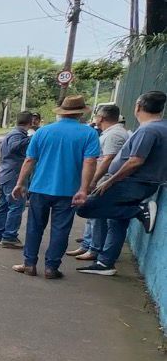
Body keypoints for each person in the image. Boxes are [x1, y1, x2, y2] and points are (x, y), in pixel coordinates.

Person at [74, 91, 167, 276]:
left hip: (132, 182)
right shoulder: (162, 127)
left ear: (138, 106)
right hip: (144, 181)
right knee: (117, 221)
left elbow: (135, 161)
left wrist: (110, 181)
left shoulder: (148, 130)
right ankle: (105, 263)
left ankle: (139, 211)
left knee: (85, 207)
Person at [11, 95, 100, 279]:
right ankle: (51, 268)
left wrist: (20, 183)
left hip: (40, 188)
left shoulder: (43, 132)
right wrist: (84, 189)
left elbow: (30, 160)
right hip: (69, 192)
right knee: (61, 229)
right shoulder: (89, 133)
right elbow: (90, 162)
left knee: (34, 227)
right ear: (80, 113)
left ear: (62, 112)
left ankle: (29, 264)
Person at [67, 104, 129, 261]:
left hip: (104, 180)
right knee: (92, 214)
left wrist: (93, 180)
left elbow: (108, 159)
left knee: (97, 215)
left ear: (101, 117)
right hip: (101, 179)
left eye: (96, 116)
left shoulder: (114, 135)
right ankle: (87, 245)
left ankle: (94, 248)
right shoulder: (110, 133)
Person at [0, 111, 37, 248]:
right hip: (14, 176)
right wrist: (32, 139)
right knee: (16, 206)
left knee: (3, 206)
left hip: (7, 175)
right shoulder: (17, 135)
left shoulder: (14, 134)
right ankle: (9, 236)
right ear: (30, 122)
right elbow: (14, 147)